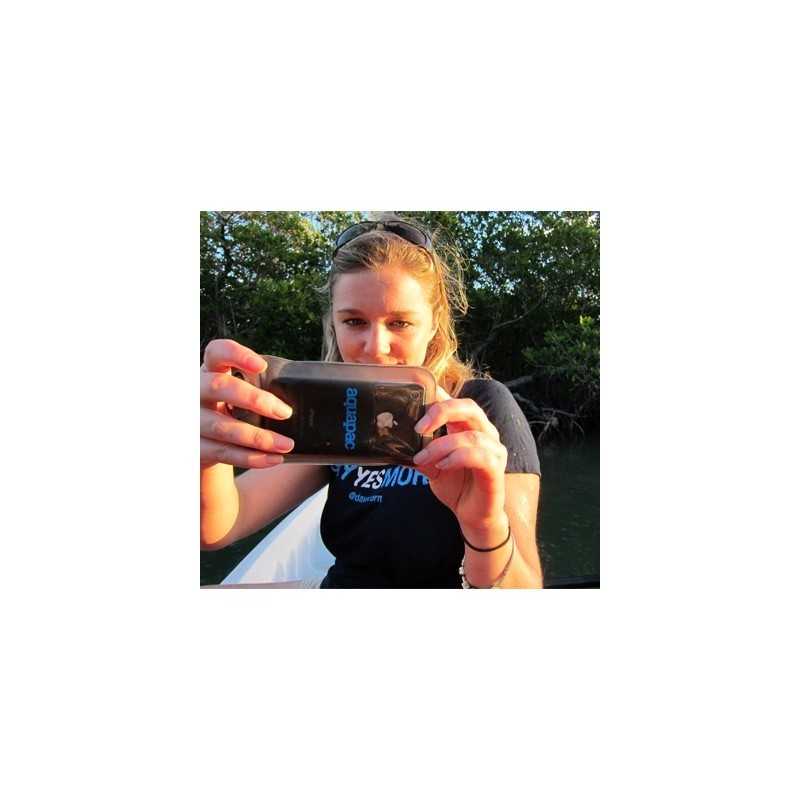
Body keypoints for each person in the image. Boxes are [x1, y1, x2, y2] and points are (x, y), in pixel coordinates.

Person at [200, 215, 543, 588]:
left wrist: (483, 524)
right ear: (334, 323)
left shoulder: (480, 410)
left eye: (400, 323)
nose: (376, 347)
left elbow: (526, 587)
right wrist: (206, 456)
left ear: (434, 323)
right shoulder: (327, 410)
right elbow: (219, 526)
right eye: (354, 322)